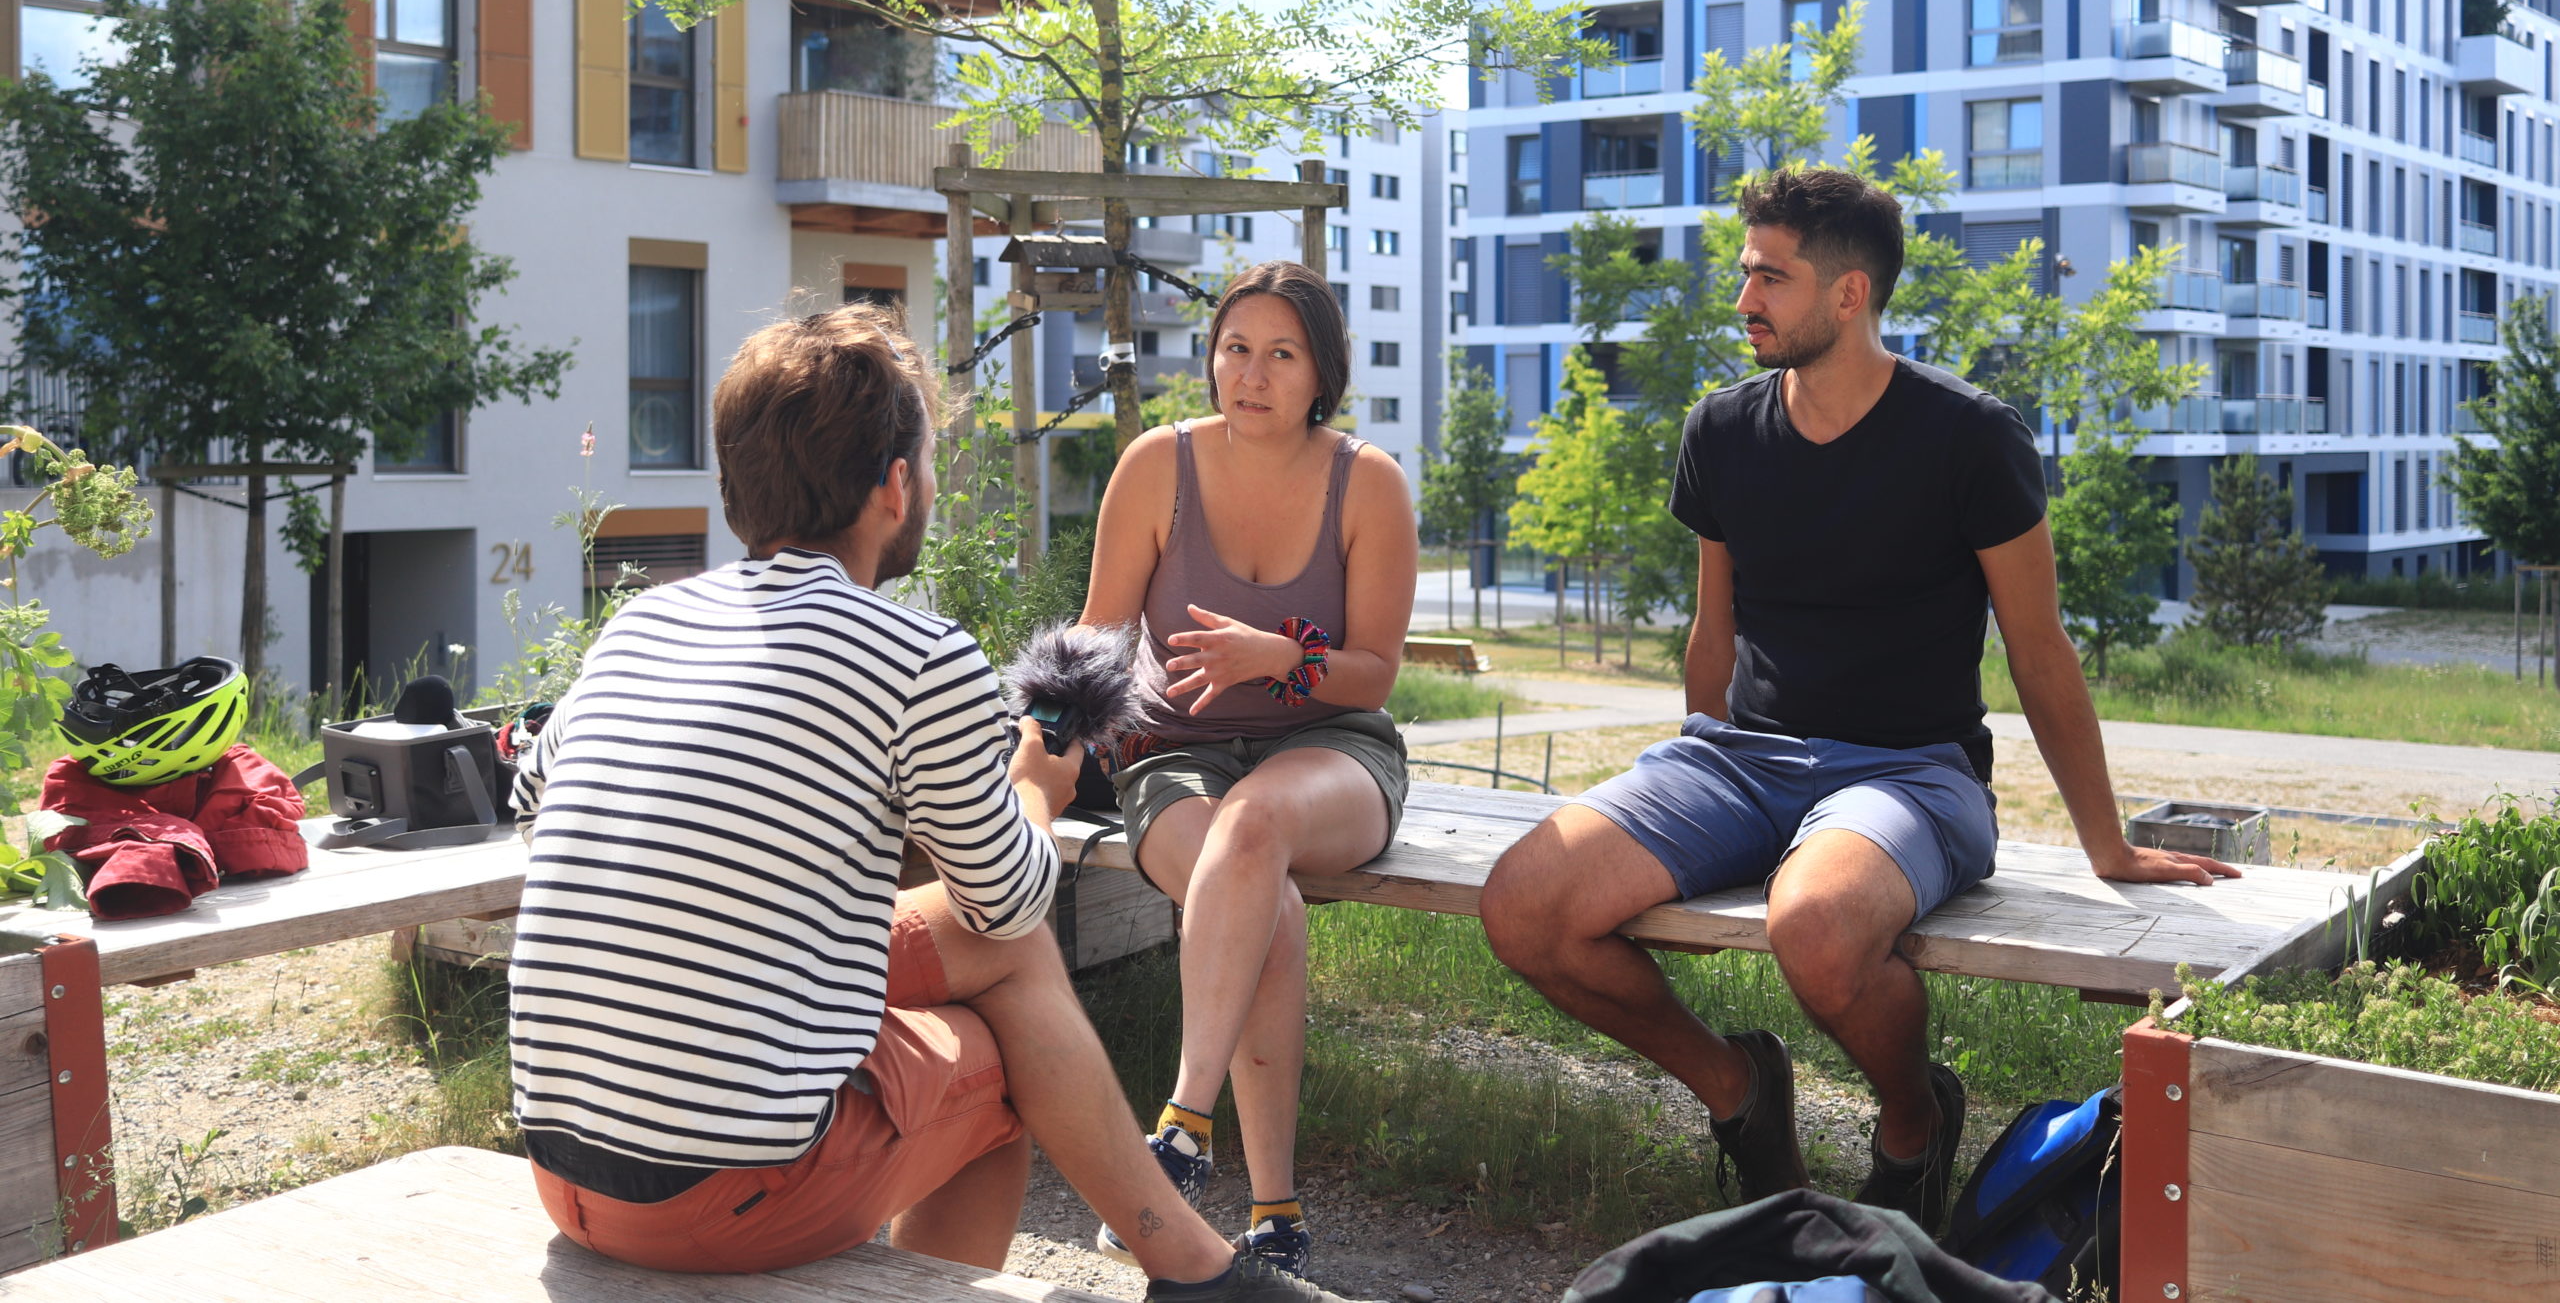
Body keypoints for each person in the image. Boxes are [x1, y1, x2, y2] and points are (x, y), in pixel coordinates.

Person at [506, 303, 1355, 1303]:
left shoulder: (640, 627)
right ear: (894, 485)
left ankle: (1192, 1267)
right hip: (723, 1196)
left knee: (966, 962)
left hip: (563, 1173)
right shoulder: (915, 657)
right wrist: (1033, 791)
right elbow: (1011, 904)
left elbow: (538, 808)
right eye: (928, 463)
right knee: (999, 1068)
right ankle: (1195, 1272)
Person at [1479, 168, 2238, 1234]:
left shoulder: (1970, 438)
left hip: (1908, 775)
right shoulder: (1721, 429)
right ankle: (1738, 1090)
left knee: (1819, 931)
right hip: (1735, 760)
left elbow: (2039, 650)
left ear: (1848, 296)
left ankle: (1913, 1122)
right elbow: (1715, 631)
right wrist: (1676, 807)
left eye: (1770, 278)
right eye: (1744, 272)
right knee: (1523, 905)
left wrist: (2106, 846)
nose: (1743, 299)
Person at [1078, 261, 1418, 1277]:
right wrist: (1035, 755)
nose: (1252, 373)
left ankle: (1181, 1124)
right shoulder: (1154, 465)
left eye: (1281, 354)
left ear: (1322, 373)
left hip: (1332, 749)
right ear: (1210, 359)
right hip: (1177, 754)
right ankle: (1276, 1211)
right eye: (1235, 349)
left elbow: (1375, 672)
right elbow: (1096, 638)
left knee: (1256, 830)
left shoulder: (1369, 481)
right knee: (1262, 904)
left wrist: (1280, 657)